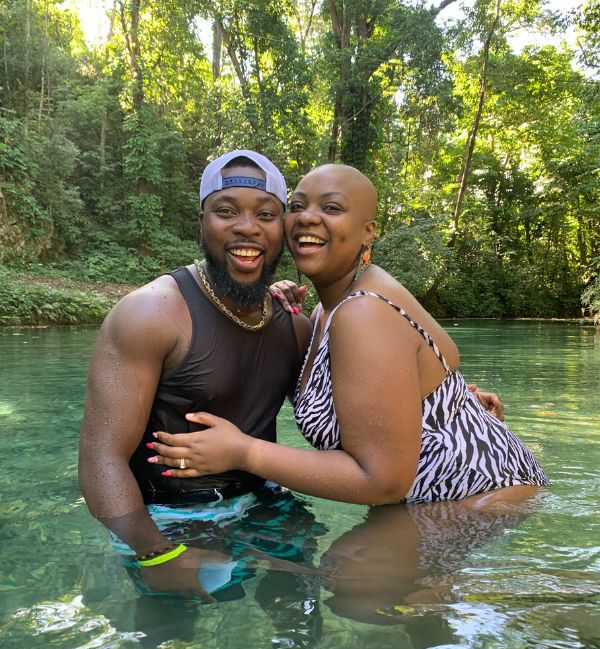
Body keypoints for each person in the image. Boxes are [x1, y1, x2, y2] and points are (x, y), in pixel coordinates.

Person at [148, 163, 548, 506]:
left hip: (481, 500)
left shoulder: (362, 312)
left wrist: (243, 452)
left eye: (332, 208)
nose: (307, 217)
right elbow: (442, 360)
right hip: (453, 492)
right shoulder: (326, 310)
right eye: (299, 206)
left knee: (350, 582)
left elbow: (383, 481)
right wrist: (456, 403)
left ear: (367, 232)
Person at [78, 149, 314, 596]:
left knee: (303, 616)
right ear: (201, 220)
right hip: (166, 518)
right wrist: (155, 554)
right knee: (166, 639)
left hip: (265, 504)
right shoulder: (150, 314)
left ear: (283, 228)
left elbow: (338, 415)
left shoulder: (295, 325)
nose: (247, 227)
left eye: (265, 214)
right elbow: (100, 458)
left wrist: (447, 403)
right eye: (226, 211)